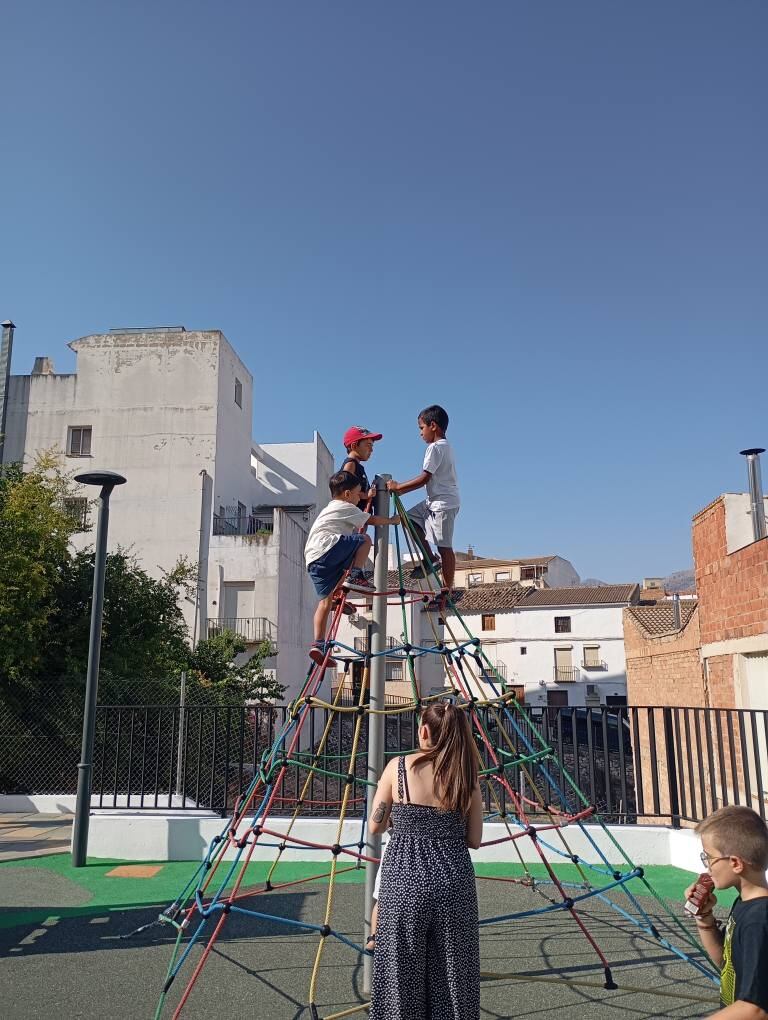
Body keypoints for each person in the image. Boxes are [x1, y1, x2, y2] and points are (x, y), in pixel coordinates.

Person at [368, 701, 483, 1020]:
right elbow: (474, 839)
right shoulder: (466, 775)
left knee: (399, 977)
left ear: (423, 730)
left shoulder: (398, 767)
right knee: (455, 978)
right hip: (453, 883)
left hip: (404, 881)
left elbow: (375, 826)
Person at [305, 470, 400, 666]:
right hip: (327, 547)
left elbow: (360, 517)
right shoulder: (344, 506)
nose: (359, 497)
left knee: (325, 602)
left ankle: (318, 644)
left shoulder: (332, 508)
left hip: (313, 560)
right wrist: (391, 521)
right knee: (364, 540)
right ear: (347, 494)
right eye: (358, 494)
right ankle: (356, 575)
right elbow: (370, 520)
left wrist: (368, 497)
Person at [684, 805, 768, 1018]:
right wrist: (704, 917)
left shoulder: (759, 921)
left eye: (708, 857)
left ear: (735, 863)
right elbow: (726, 962)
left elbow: (755, 1009)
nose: (707, 866)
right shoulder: (744, 904)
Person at [386, 404, 459, 600]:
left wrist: (398, 488)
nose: (420, 433)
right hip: (433, 501)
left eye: (421, 428)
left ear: (433, 426)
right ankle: (430, 560)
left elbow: (424, 478)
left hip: (443, 504)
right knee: (408, 519)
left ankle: (447, 588)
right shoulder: (446, 447)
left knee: (445, 546)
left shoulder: (434, 448)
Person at [341, 425, 382, 510]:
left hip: (360, 519)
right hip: (354, 519)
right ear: (354, 446)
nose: (371, 450)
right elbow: (345, 491)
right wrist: (366, 495)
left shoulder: (357, 466)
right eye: (368, 445)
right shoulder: (350, 464)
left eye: (372, 446)